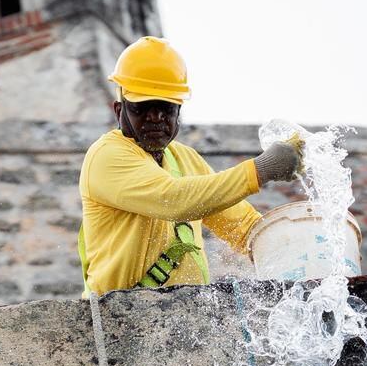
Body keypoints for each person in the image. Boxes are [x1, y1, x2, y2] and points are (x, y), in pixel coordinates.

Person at [78, 36, 301, 295]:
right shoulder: (106, 156)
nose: (155, 117)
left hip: (187, 311)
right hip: (121, 313)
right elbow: (173, 200)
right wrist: (263, 168)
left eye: (166, 108)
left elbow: (244, 227)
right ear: (119, 110)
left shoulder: (185, 159)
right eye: (142, 108)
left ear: (178, 111)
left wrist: (297, 247)